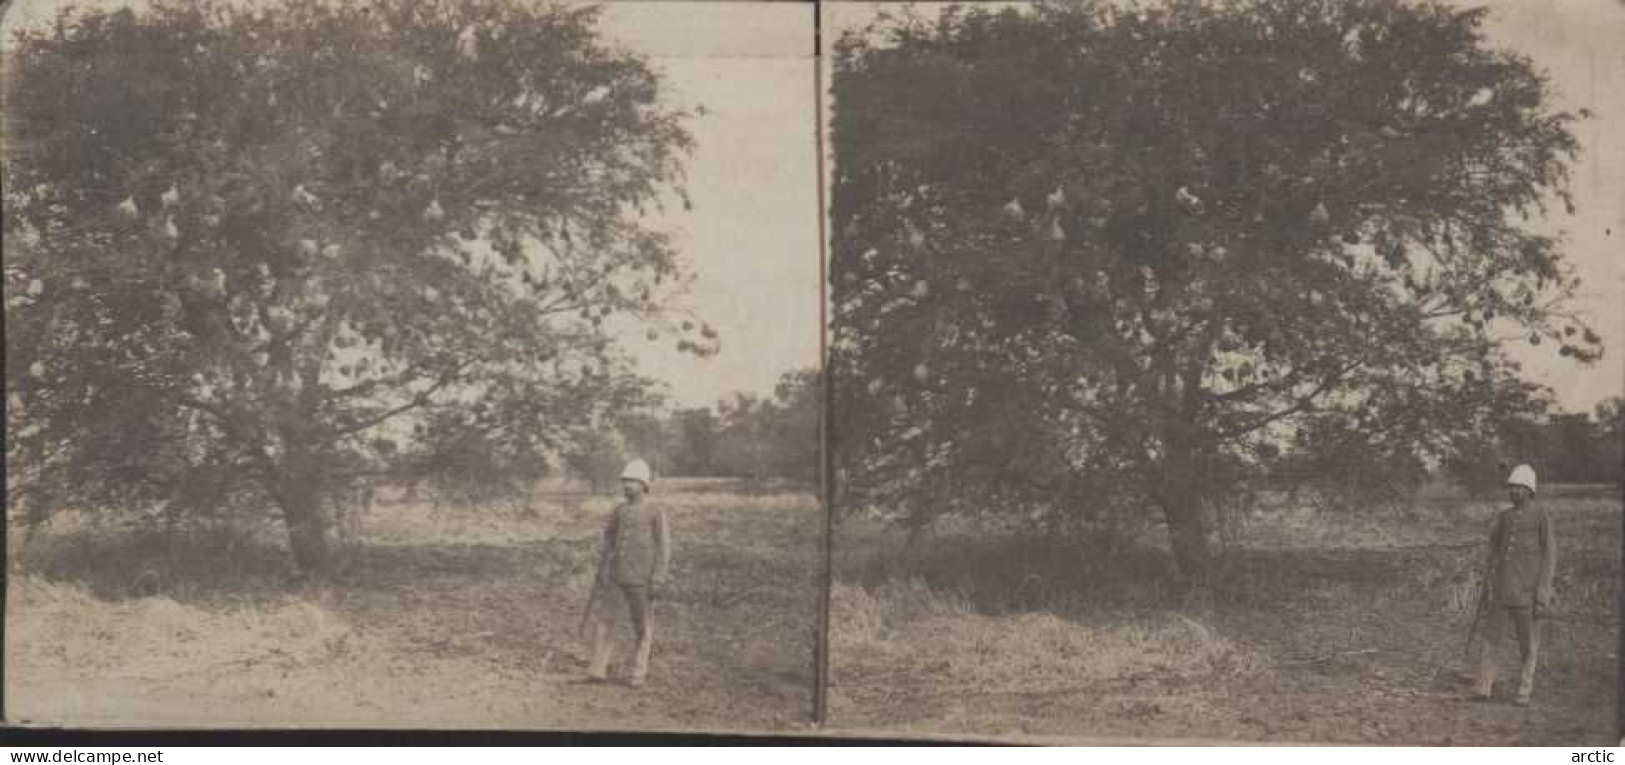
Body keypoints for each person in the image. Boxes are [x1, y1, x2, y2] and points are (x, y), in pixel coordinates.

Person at [1470, 463, 1557, 706]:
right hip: (1502, 591)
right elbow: (1494, 549)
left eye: (1519, 488)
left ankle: (1524, 691)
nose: (1514, 492)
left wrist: (1543, 592)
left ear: (1530, 490)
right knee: (1491, 639)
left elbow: (1549, 557)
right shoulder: (1505, 517)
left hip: (1528, 594)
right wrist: (1488, 576)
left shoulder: (1541, 516)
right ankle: (1483, 687)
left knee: (1528, 644)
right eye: (1512, 488)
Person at [586, 458, 670, 687]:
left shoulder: (655, 512)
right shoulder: (620, 510)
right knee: (605, 621)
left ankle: (637, 674)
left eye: (632, 481)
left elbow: (663, 547)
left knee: (642, 626)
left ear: (644, 484)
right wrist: (603, 568)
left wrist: (658, 578)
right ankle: (597, 668)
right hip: (616, 576)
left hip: (642, 579)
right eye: (625, 481)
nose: (627, 485)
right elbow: (609, 539)